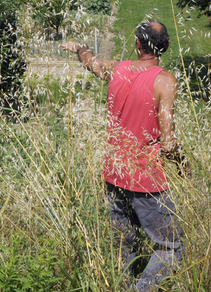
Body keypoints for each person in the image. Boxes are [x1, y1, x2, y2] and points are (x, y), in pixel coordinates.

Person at [62, 20, 185, 292]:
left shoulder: (118, 70)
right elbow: (168, 143)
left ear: (138, 44)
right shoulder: (165, 81)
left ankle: (123, 285)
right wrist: (184, 165)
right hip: (147, 179)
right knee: (171, 247)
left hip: (114, 173)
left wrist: (79, 48)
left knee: (124, 243)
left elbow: (91, 62)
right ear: (164, 46)